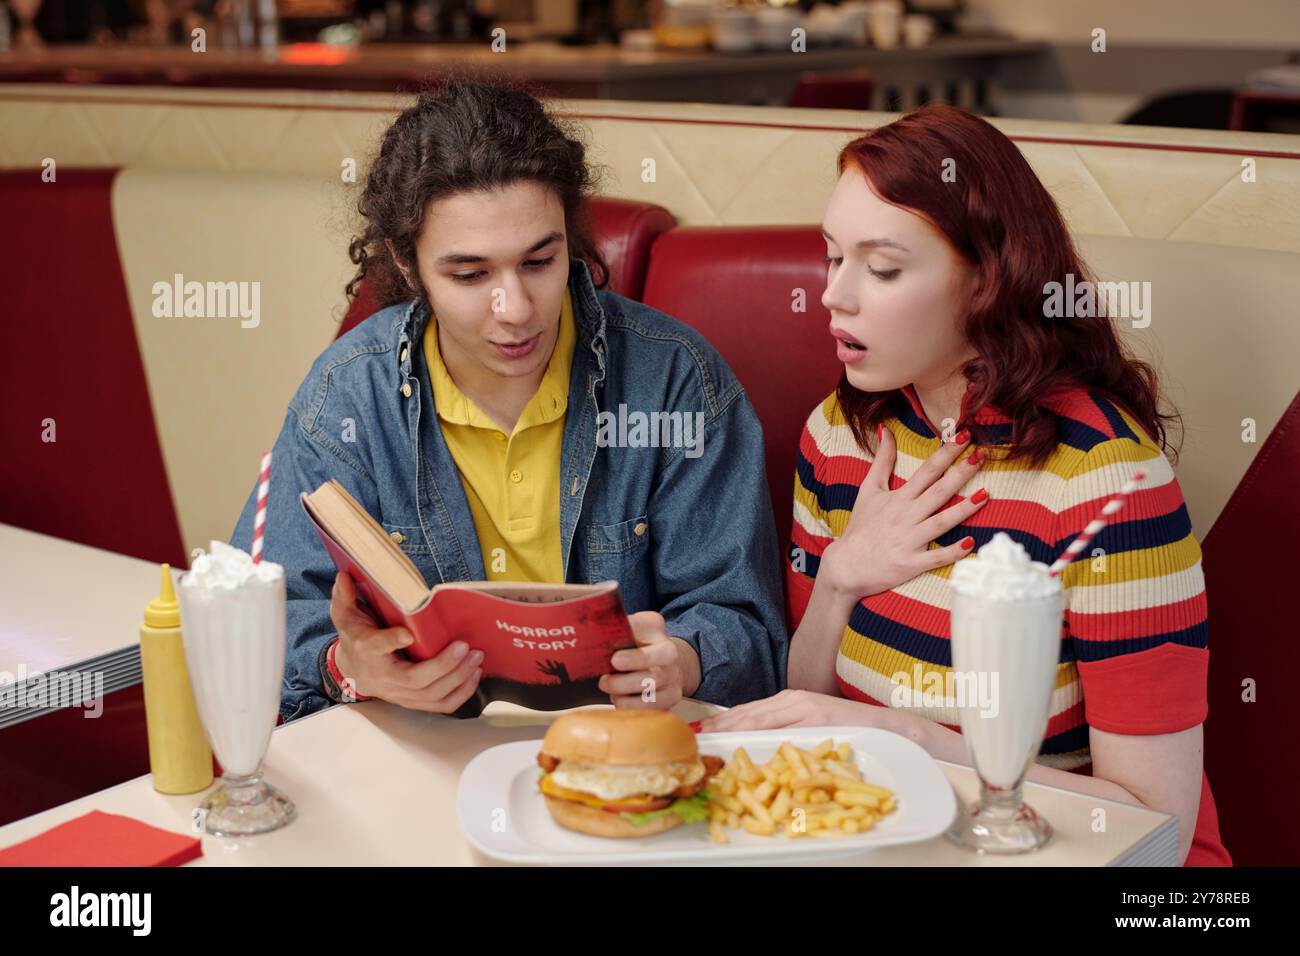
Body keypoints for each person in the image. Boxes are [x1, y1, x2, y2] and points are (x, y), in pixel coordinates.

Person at [700, 105, 1230, 866]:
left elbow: (1158, 826)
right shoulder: (839, 434)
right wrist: (841, 578)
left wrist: (905, 735)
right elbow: (805, 696)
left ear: (987, 279)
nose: (835, 295)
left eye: (882, 268)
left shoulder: (1106, 477)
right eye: (831, 257)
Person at [231, 80, 787, 725]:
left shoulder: (673, 381)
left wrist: (684, 660)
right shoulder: (348, 394)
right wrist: (349, 669)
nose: (516, 311)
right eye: (470, 276)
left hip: (620, 753)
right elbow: (258, 626)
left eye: (540, 262)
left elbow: (747, 626)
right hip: (423, 759)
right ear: (406, 266)